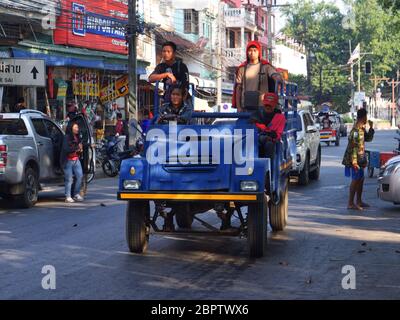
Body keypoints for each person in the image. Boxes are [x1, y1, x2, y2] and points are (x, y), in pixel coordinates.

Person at [232, 41, 283, 112]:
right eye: (250, 50)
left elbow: (274, 74)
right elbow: (238, 89)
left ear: (259, 52)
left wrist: (277, 77)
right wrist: (238, 107)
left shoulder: (266, 66)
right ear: (247, 52)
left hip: (263, 108)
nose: (252, 53)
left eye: (255, 50)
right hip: (246, 108)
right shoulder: (242, 68)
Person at [342, 108, 374, 211]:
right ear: (363, 117)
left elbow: (368, 139)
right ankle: (350, 203)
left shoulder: (362, 129)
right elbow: (354, 147)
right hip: (355, 159)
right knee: (355, 180)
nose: (366, 119)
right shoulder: (355, 131)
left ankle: (359, 201)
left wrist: (371, 128)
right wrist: (354, 161)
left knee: (360, 179)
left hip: (361, 158)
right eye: (366, 117)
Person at [252, 92, 286, 159]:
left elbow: (278, 134)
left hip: (270, 141)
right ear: (263, 104)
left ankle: (270, 167)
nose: (268, 107)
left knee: (269, 144)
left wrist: (270, 136)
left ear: (275, 105)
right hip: (257, 138)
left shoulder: (280, 117)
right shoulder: (257, 115)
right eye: (266, 105)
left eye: (270, 105)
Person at [60, 122, 84, 203]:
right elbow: (66, 149)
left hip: (76, 159)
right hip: (68, 160)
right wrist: (77, 148)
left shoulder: (77, 137)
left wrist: (81, 148)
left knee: (80, 176)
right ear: (71, 128)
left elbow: (80, 147)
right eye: (75, 127)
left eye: (77, 127)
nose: (77, 129)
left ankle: (76, 194)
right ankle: (68, 196)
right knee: (69, 179)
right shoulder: (66, 137)